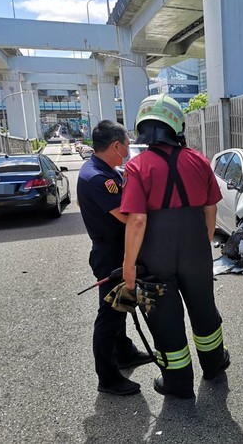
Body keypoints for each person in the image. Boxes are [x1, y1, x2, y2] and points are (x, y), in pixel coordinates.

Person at [121, 93, 229, 399]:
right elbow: (211, 211)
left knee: (166, 320)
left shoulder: (137, 167)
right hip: (196, 249)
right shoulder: (199, 160)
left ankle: (178, 384)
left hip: (156, 257)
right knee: (204, 311)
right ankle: (214, 366)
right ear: (176, 125)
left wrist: (129, 267)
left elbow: (137, 221)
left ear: (143, 127)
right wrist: (202, 244)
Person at [77, 119, 152, 396]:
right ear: (117, 145)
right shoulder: (98, 178)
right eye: (128, 145)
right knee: (109, 315)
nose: (129, 150)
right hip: (110, 253)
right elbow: (126, 215)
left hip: (115, 249)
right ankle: (107, 377)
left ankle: (125, 353)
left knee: (120, 307)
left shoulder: (105, 170)